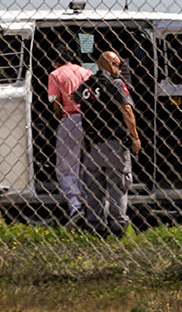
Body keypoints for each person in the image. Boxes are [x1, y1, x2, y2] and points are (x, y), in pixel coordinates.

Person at [79, 51, 141, 237]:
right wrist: (135, 136)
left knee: (94, 189)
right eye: (117, 64)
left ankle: (95, 227)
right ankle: (117, 228)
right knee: (117, 187)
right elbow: (126, 110)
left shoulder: (86, 85)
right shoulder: (116, 84)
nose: (120, 69)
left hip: (91, 144)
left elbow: (76, 103)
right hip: (114, 143)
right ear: (109, 65)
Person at [47, 50, 93, 223]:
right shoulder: (85, 72)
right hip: (89, 120)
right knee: (86, 162)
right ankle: (91, 202)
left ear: (55, 61)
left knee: (67, 163)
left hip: (69, 119)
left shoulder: (55, 74)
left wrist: (58, 116)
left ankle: (75, 205)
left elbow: (55, 101)